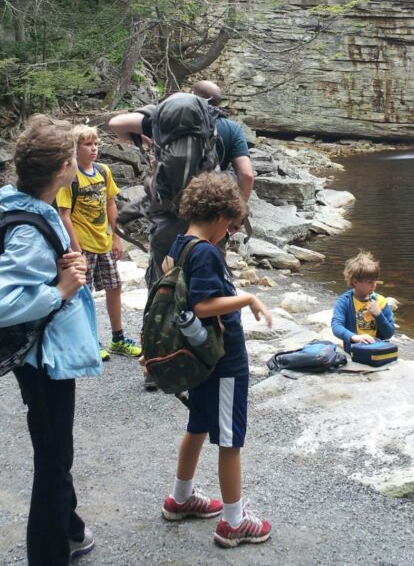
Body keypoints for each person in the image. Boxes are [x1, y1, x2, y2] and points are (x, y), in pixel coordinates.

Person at [0, 116, 101, 565]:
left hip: (39, 355)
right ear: (63, 168)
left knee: (54, 445)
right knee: (53, 455)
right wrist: (59, 290)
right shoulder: (27, 228)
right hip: (46, 359)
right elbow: (5, 300)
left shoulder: (19, 204)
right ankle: (48, 553)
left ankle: (72, 529)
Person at [160, 172, 272, 548]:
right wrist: (247, 299)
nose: (230, 233)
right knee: (230, 439)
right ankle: (233, 522)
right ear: (221, 218)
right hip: (223, 361)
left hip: (199, 357)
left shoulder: (181, 243)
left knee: (198, 424)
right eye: (232, 225)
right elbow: (203, 304)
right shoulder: (206, 251)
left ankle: (180, 497)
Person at [107, 84, 254, 285]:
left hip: (168, 213)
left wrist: (149, 136)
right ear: (218, 103)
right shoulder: (231, 128)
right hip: (211, 218)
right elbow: (246, 175)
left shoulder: (167, 121)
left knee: (164, 281)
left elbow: (116, 123)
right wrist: (237, 216)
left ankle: (161, 313)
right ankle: (206, 313)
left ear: (190, 97)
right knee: (209, 279)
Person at [56, 125, 141, 361]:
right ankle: (91, 340)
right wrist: (76, 250)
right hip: (82, 245)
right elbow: (64, 214)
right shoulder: (70, 176)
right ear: (75, 148)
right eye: (87, 145)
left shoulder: (103, 171)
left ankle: (118, 337)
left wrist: (116, 237)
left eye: (95, 144)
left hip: (104, 241)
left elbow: (110, 204)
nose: (93, 149)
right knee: (85, 292)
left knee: (115, 287)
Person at [331, 250, 395, 354]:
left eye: (375, 281)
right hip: (355, 351)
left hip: (377, 350)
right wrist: (354, 337)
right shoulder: (344, 301)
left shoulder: (380, 301)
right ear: (355, 282)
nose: (374, 285)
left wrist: (378, 314)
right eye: (369, 282)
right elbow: (336, 326)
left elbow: (389, 334)